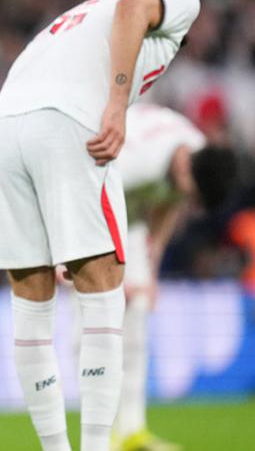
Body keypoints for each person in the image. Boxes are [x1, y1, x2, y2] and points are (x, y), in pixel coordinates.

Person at [0, 0, 201, 451]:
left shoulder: (73, 19)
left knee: (32, 297)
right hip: (68, 122)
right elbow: (133, 11)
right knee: (103, 290)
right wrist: (118, 104)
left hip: (4, 128)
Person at [111, 103, 236, 451]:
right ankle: (101, 434)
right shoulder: (134, 161)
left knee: (136, 314)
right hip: (91, 194)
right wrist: (108, 275)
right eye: (191, 192)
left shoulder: (195, 157)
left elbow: (172, 200)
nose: (188, 199)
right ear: (183, 166)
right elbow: (85, 199)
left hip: (131, 207)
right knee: (98, 320)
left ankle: (132, 431)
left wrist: (150, 267)